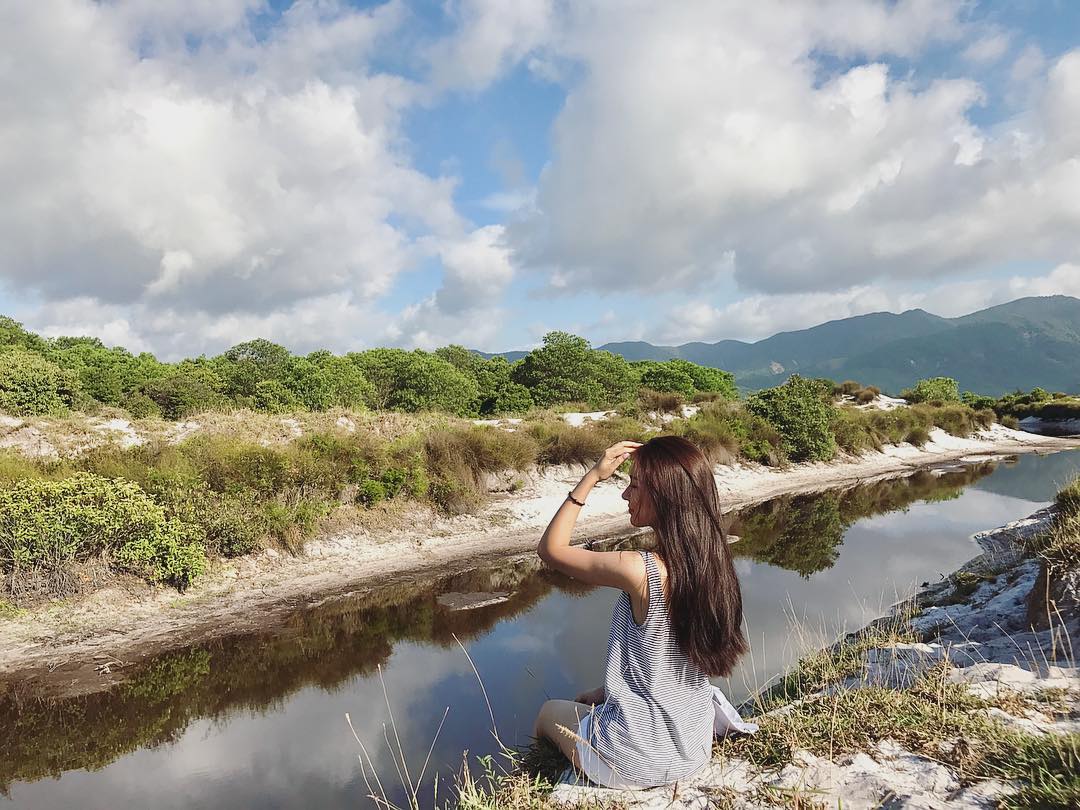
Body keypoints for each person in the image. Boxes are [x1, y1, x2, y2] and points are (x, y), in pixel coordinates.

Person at [532, 434, 756, 789]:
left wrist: (592, 476)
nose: (625, 495)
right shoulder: (713, 564)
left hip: (635, 761)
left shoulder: (640, 569)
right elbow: (667, 655)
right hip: (693, 751)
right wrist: (606, 691)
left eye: (634, 486)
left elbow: (551, 549)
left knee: (547, 714)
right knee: (591, 707)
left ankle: (538, 777)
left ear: (663, 497)